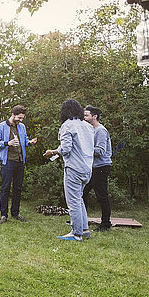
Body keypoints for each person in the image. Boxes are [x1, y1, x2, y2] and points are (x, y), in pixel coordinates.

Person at [44, 99, 95, 241]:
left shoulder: (67, 126)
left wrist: (53, 152)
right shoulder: (88, 126)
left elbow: (66, 149)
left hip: (74, 168)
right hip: (87, 169)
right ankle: (84, 230)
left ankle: (76, 233)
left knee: (73, 201)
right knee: (79, 199)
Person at [0, 105, 37, 224]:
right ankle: (3, 215)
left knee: (18, 188)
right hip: (8, 162)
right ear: (13, 114)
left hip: (20, 162)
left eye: (22, 118)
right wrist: (8, 143)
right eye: (19, 118)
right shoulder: (0, 127)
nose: (21, 120)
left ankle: (15, 213)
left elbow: (25, 140)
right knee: (5, 188)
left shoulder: (21, 127)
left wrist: (29, 142)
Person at [83, 105, 113, 232]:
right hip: (92, 167)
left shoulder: (100, 130)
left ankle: (105, 224)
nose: (84, 117)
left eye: (86, 115)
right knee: (82, 193)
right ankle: (81, 220)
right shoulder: (90, 130)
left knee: (102, 195)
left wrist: (83, 148)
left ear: (94, 117)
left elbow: (100, 151)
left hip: (101, 167)